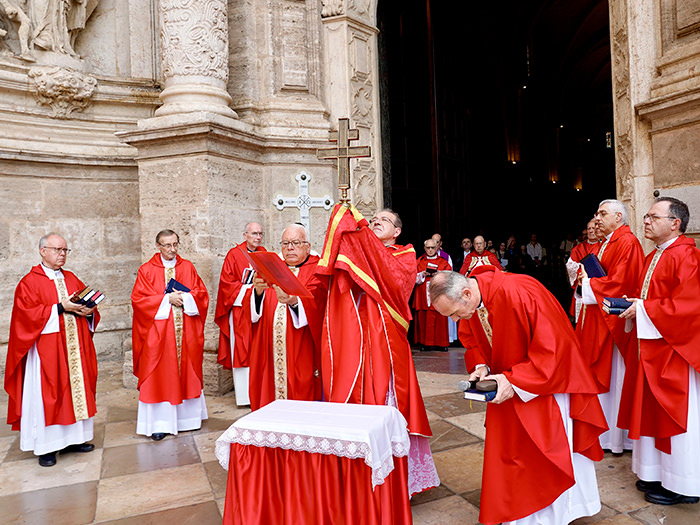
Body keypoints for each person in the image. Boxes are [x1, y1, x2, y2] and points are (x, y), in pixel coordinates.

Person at [430, 269, 607, 524]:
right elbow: (473, 338)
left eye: (455, 313)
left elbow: (554, 350)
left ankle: (551, 515)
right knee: (513, 451)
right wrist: (481, 366)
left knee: (543, 452)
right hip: (510, 387)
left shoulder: (520, 292)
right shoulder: (476, 298)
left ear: (466, 293)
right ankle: (520, 509)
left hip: (545, 388)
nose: (457, 320)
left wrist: (513, 380)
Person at [317, 205, 439, 496]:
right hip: (356, 342)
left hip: (386, 342)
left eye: (383, 220)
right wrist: (348, 229)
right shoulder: (362, 252)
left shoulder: (405, 255)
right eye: (373, 220)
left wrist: (358, 227)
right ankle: (358, 478)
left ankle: (394, 484)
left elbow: (391, 277)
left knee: (386, 402)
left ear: (397, 232)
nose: (374, 223)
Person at [618, 197, 700, 505]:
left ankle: (685, 483)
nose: (646, 221)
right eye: (647, 216)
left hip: (675, 353)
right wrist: (635, 306)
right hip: (652, 349)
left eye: (653, 216)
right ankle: (655, 472)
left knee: (678, 417)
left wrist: (644, 309)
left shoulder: (687, 256)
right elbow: (651, 300)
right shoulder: (655, 255)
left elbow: (690, 307)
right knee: (651, 411)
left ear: (675, 223)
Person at [5, 233, 98, 467]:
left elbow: (84, 303)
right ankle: (47, 447)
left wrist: (89, 311)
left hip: (74, 345)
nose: (62, 254)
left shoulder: (72, 278)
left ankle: (75, 439)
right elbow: (25, 317)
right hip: (48, 350)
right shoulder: (29, 282)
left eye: (65, 250)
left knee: (73, 390)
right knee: (49, 394)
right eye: (57, 250)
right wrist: (59, 307)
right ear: (42, 251)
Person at [576, 199, 644, 454]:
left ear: (618, 217)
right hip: (599, 319)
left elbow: (621, 282)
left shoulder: (627, 242)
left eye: (602, 213)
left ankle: (616, 439)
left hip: (612, 323)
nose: (597, 218)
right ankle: (605, 436)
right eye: (596, 213)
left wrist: (589, 283)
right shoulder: (607, 243)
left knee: (615, 377)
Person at [131, 230, 209, 441]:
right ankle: (160, 423)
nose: (172, 249)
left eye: (175, 244)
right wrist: (166, 300)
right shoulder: (146, 270)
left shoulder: (187, 267)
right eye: (167, 245)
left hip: (186, 333)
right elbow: (138, 301)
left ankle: (188, 420)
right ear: (157, 246)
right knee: (160, 375)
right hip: (159, 336)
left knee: (186, 371)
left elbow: (201, 295)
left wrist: (187, 298)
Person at [246, 224, 325, 410]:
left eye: (296, 242)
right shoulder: (269, 268)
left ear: (307, 245)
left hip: (302, 348)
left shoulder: (317, 269)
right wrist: (257, 294)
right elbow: (253, 315)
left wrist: (293, 301)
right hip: (270, 349)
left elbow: (319, 304)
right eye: (286, 243)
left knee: (300, 399)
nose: (290, 247)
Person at [214, 222, 266, 406]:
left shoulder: (264, 253)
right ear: (245, 235)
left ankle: (260, 392)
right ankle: (244, 397)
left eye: (260, 233)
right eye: (254, 233)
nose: (257, 237)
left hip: (259, 309)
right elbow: (227, 285)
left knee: (259, 351)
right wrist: (250, 289)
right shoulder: (234, 255)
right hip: (239, 311)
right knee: (242, 350)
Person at [413, 239, 451, 351]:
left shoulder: (443, 262)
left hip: (438, 293)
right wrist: (422, 274)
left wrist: (439, 274)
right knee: (424, 318)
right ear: (424, 248)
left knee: (440, 317)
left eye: (432, 248)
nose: (430, 250)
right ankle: (425, 343)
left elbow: (450, 276)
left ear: (437, 248)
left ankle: (441, 343)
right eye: (428, 248)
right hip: (423, 293)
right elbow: (411, 277)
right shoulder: (419, 261)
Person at [566, 219, 601, 322]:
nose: (590, 231)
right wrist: (582, 273)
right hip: (582, 286)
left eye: (593, 228)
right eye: (588, 228)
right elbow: (570, 266)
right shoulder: (578, 248)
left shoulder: (604, 246)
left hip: (599, 287)